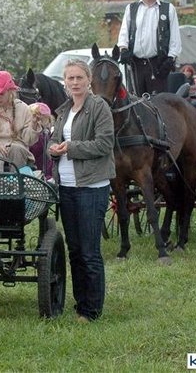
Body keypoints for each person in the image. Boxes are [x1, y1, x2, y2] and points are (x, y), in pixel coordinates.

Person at [48, 59, 115, 323]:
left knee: (89, 252)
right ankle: (80, 304)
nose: (75, 82)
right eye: (70, 78)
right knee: (74, 250)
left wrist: (71, 148)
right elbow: (55, 138)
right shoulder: (64, 110)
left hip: (91, 187)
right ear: (64, 82)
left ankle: (91, 310)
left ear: (89, 80)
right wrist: (53, 148)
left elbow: (104, 144)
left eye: (79, 78)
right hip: (66, 187)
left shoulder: (99, 107)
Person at [117, 0, 181, 95]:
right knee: (135, 100)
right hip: (135, 64)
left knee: (158, 101)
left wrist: (170, 59)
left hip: (159, 64)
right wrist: (123, 49)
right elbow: (124, 32)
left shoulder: (168, 9)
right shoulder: (131, 8)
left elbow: (175, 37)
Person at [0, 71, 43, 172]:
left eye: (1, 94)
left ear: (10, 91)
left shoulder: (23, 108)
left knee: (16, 149)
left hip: (18, 147)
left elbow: (29, 140)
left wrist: (34, 124)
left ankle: (17, 181)